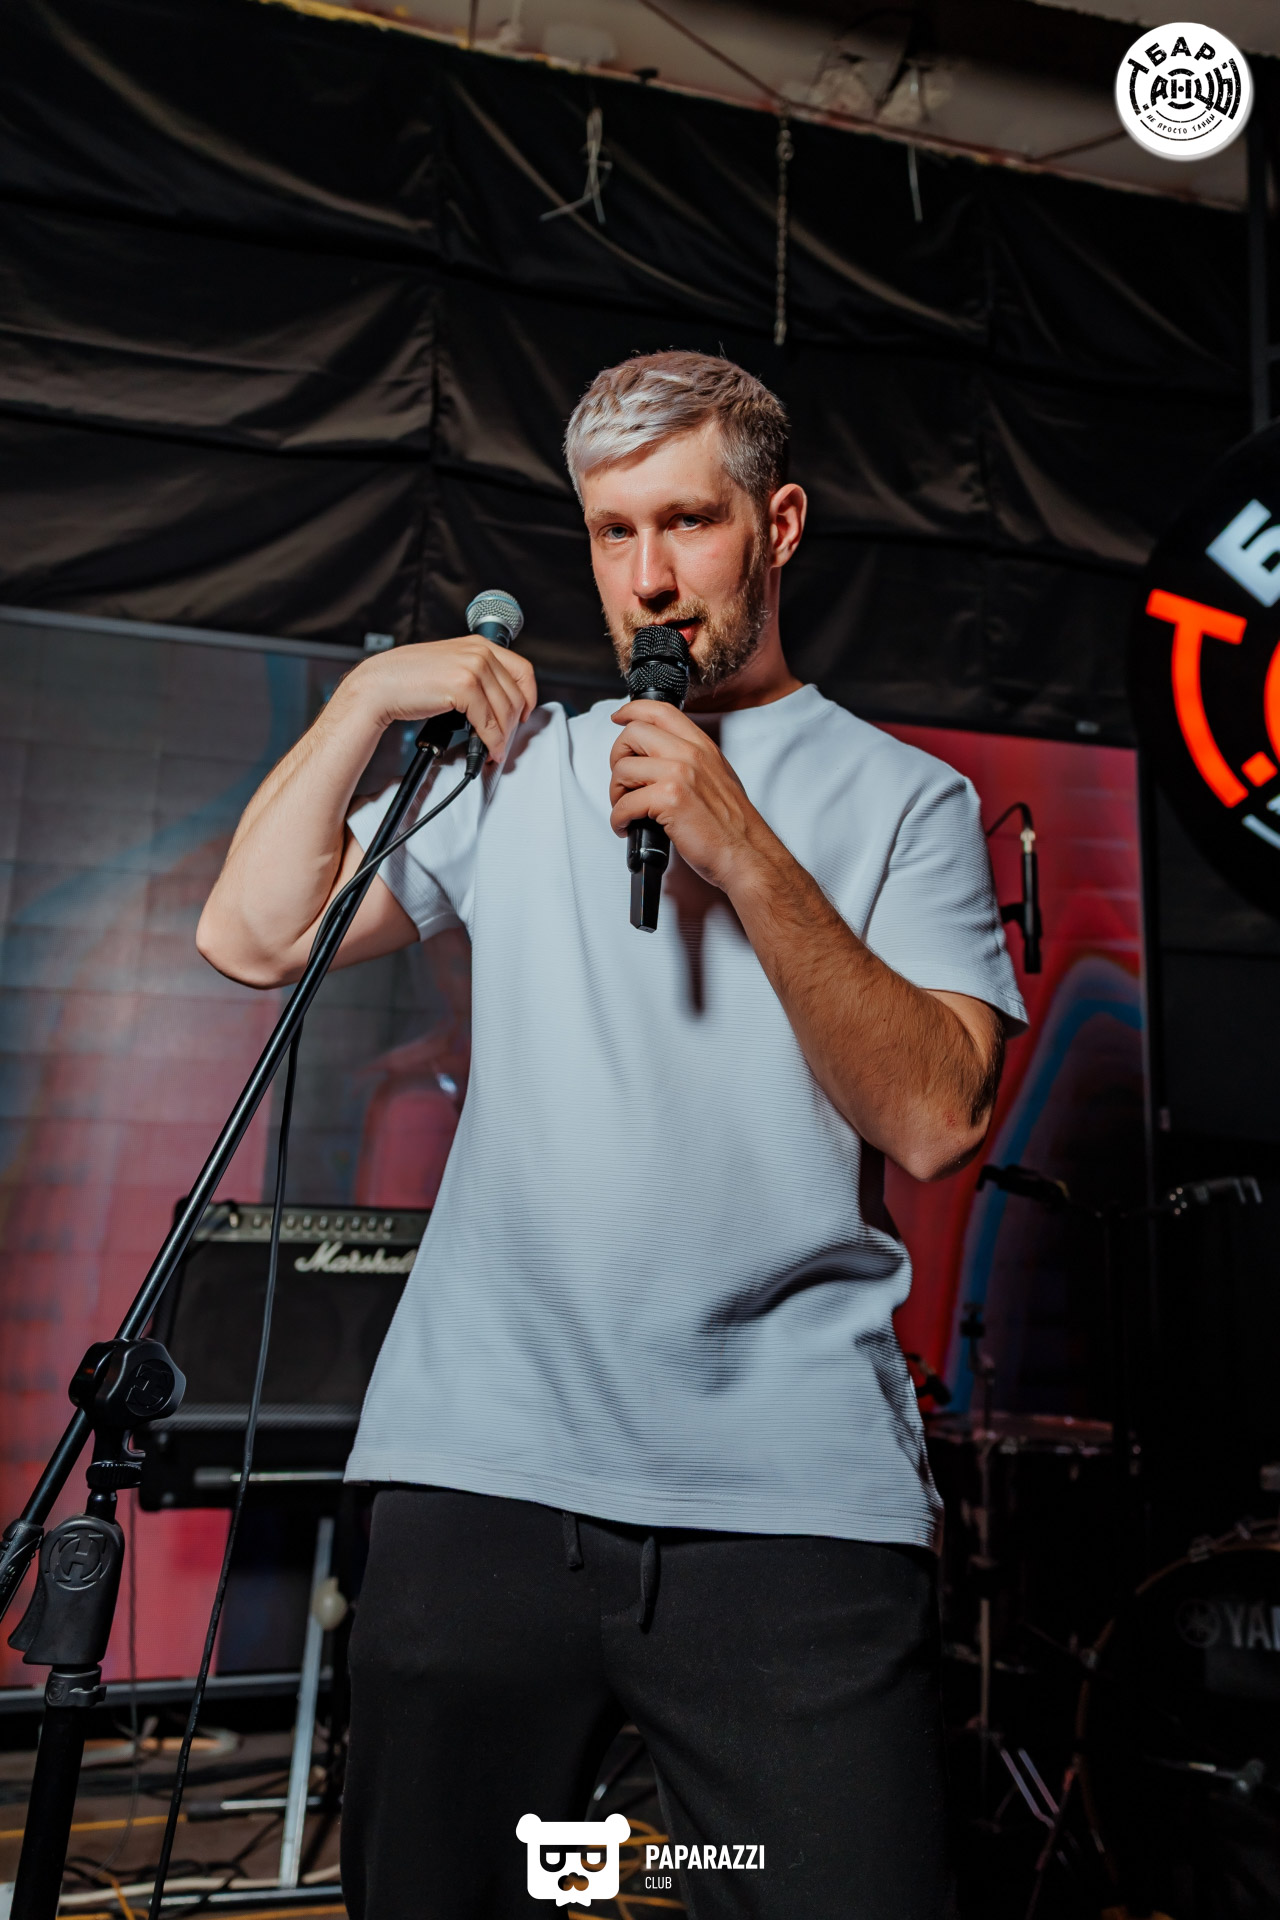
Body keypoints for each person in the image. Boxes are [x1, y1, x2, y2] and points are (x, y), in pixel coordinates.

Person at [197, 351, 1026, 1918]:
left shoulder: (905, 800)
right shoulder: (522, 773)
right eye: (612, 531)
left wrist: (743, 847)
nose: (648, 577)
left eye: (689, 523)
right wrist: (368, 701)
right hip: (480, 1479)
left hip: (786, 1508)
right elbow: (250, 936)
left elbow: (936, 1118)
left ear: (779, 526)